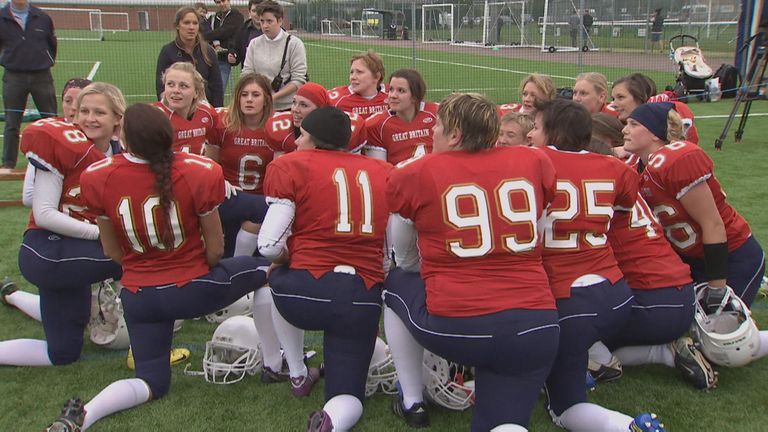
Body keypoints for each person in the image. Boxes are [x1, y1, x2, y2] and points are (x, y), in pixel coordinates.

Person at [39, 103, 268, 431]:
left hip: (139, 296)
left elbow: (111, 250)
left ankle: (85, 413)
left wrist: (142, 269)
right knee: (267, 269)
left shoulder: (98, 175)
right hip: (192, 287)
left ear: (124, 138)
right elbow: (216, 249)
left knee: (151, 381)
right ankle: (282, 363)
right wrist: (196, 271)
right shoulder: (199, 170)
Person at [384, 93, 560, 431]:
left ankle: (411, 400)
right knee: (502, 425)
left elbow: (405, 259)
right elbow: (538, 229)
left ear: (455, 134)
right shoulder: (533, 160)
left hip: (461, 326)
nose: (432, 131)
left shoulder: (417, 171)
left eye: (438, 125)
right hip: (536, 324)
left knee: (395, 283)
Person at [527, 99, 664, 431]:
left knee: (564, 406)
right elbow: (623, 205)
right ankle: (586, 365)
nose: (530, 134)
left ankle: (627, 426)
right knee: (570, 351)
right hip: (613, 294)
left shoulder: (529, 161)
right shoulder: (614, 167)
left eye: (536, 127)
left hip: (564, 299)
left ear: (553, 131)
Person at [258, 106, 391, 431]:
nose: (297, 141)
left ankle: (297, 373)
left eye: (301, 135)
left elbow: (269, 245)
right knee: (348, 395)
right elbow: (390, 251)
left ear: (314, 139)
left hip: (303, 293)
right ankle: (331, 421)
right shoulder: (384, 171)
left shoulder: (290, 165)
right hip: (360, 296)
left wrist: (285, 259)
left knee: (274, 275)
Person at [0, 83, 124, 370]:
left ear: (117, 118)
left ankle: (12, 295)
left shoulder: (121, 153)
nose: (89, 118)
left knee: (65, 351)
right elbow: (43, 214)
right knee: (135, 258)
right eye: (84, 111)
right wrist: (102, 235)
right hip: (49, 248)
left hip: (79, 251)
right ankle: (154, 320)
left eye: (99, 112)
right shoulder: (63, 146)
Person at [623, 102, 766, 308]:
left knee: (722, 323)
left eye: (634, 124)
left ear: (655, 132)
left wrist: (717, 287)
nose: (625, 130)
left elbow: (712, 224)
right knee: (694, 321)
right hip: (692, 260)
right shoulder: (635, 166)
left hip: (730, 257)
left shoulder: (676, 160)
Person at [1, 0, 57, 169]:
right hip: (14, 77)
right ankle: (8, 163)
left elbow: (51, 43)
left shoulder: (43, 17)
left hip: (42, 76)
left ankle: (56, 159)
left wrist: (45, 60)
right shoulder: (2, 17)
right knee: (12, 123)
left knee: (51, 121)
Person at [242, 0, 307, 112]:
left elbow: (299, 80)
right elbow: (247, 73)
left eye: (269, 21)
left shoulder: (294, 44)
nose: (265, 25)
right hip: (261, 106)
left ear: (280, 20)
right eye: (262, 21)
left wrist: (273, 97)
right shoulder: (254, 43)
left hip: (288, 107)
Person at [266, 81, 366, 153]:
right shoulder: (281, 129)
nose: (295, 109)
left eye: (304, 105)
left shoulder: (343, 131)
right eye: (294, 102)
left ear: (320, 110)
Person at [363, 69, 438, 165]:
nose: (393, 95)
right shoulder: (378, 124)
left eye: (401, 91)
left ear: (415, 96)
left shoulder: (436, 114)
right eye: (391, 89)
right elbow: (381, 169)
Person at [156, 7, 223, 107]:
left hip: (204, 109)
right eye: (187, 23)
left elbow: (217, 87)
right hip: (176, 109)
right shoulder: (167, 52)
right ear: (177, 25)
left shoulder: (209, 51)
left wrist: (216, 111)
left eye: (195, 23)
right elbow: (161, 87)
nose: (191, 27)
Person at [611, 73, 698, 144]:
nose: (613, 104)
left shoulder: (671, 116)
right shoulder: (615, 124)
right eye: (613, 99)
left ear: (640, 98)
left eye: (620, 97)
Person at [154, 62, 218, 155]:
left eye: (183, 86)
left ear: (196, 92)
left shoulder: (207, 113)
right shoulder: (154, 117)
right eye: (170, 84)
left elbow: (213, 151)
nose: (176, 90)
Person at [327, 50, 388, 119]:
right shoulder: (338, 99)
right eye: (351, 72)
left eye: (359, 72)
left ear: (376, 76)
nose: (353, 77)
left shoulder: (391, 97)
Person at [202, 0, 243, 91]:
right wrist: (211, 35)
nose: (221, 4)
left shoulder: (237, 17)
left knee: (218, 90)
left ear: (229, 1)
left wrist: (209, 35)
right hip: (209, 59)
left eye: (223, 1)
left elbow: (224, 32)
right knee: (205, 90)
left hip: (223, 59)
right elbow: (203, 32)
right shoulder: (213, 18)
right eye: (218, 2)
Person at [228, 0, 263, 68]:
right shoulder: (242, 30)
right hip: (249, 72)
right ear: (249, 12)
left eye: (260, 10)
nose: (257, 14)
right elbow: (236, 52)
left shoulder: (276, 31)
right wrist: (233, 58)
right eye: (254, 11)